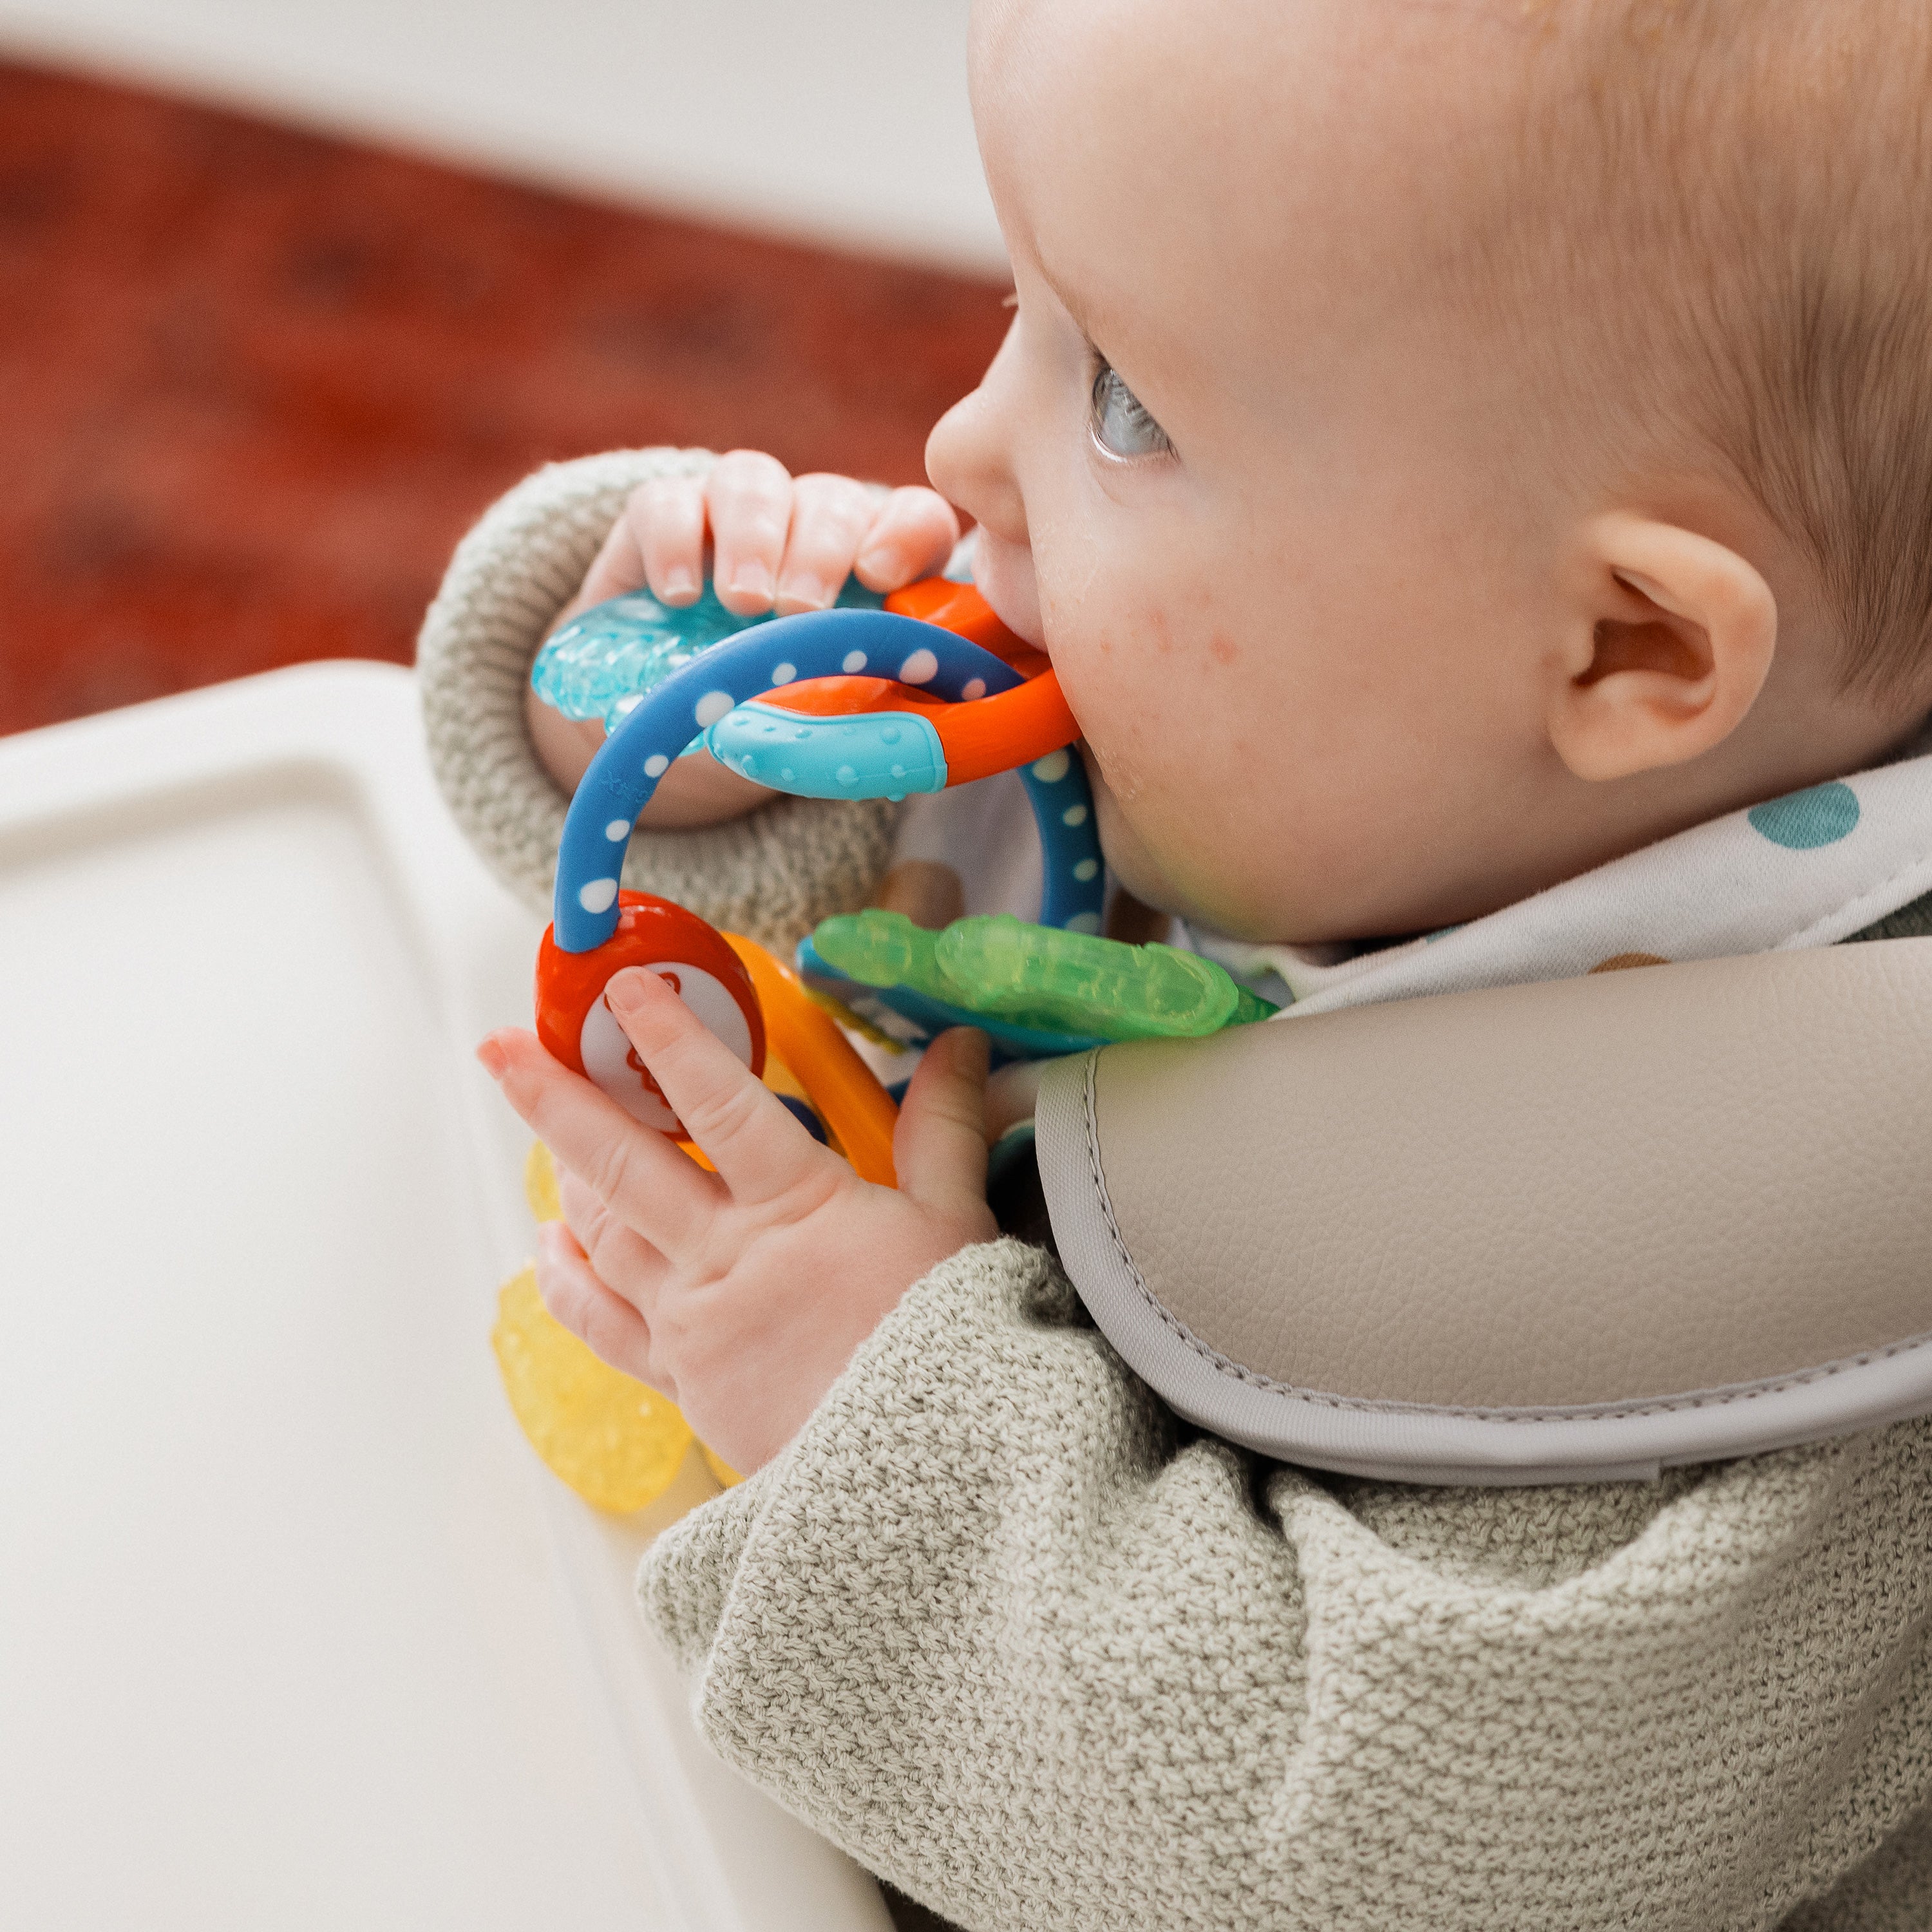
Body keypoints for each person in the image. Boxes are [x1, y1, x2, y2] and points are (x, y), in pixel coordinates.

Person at [425, 1, 1932, 1924]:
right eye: (1014, 304)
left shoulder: (1809, 1276)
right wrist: (672, 703)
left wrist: (868, 1406)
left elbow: (1338, 1858)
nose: (966, 444)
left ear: (1626, 652)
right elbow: (872, 872)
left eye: (1122, 395)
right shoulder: (1336, 730)